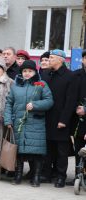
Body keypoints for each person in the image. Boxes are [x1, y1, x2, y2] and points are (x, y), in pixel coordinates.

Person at [4, 60, 53, 187]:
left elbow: (49, 101)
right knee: (19, 152)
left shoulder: (41, 84)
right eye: (24, 71)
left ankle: (36, 177)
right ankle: (18, 175)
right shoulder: (15, 86)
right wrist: (8, 120)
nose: (27, 73)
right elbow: (9, 103)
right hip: (19, 123)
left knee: (36, 153)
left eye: (29, 71)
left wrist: (35, 105)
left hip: (35, 124)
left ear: (34, 72)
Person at [41, 49, 77, 188]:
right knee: (48, 148)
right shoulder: (46, 74)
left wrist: (64, 120)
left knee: (62, 151)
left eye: (51, 57)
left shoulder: (70, 76)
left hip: (61, 119)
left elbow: (71, 100)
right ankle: (47, 173)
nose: (48, 60)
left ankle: (61, 176)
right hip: (46, 117)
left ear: (61, 60)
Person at [65, 50, 86, 186]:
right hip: (78, 118)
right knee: (79, 148)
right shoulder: (75, 75)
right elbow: (70, 96)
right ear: (82, 59)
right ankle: (79, 175)